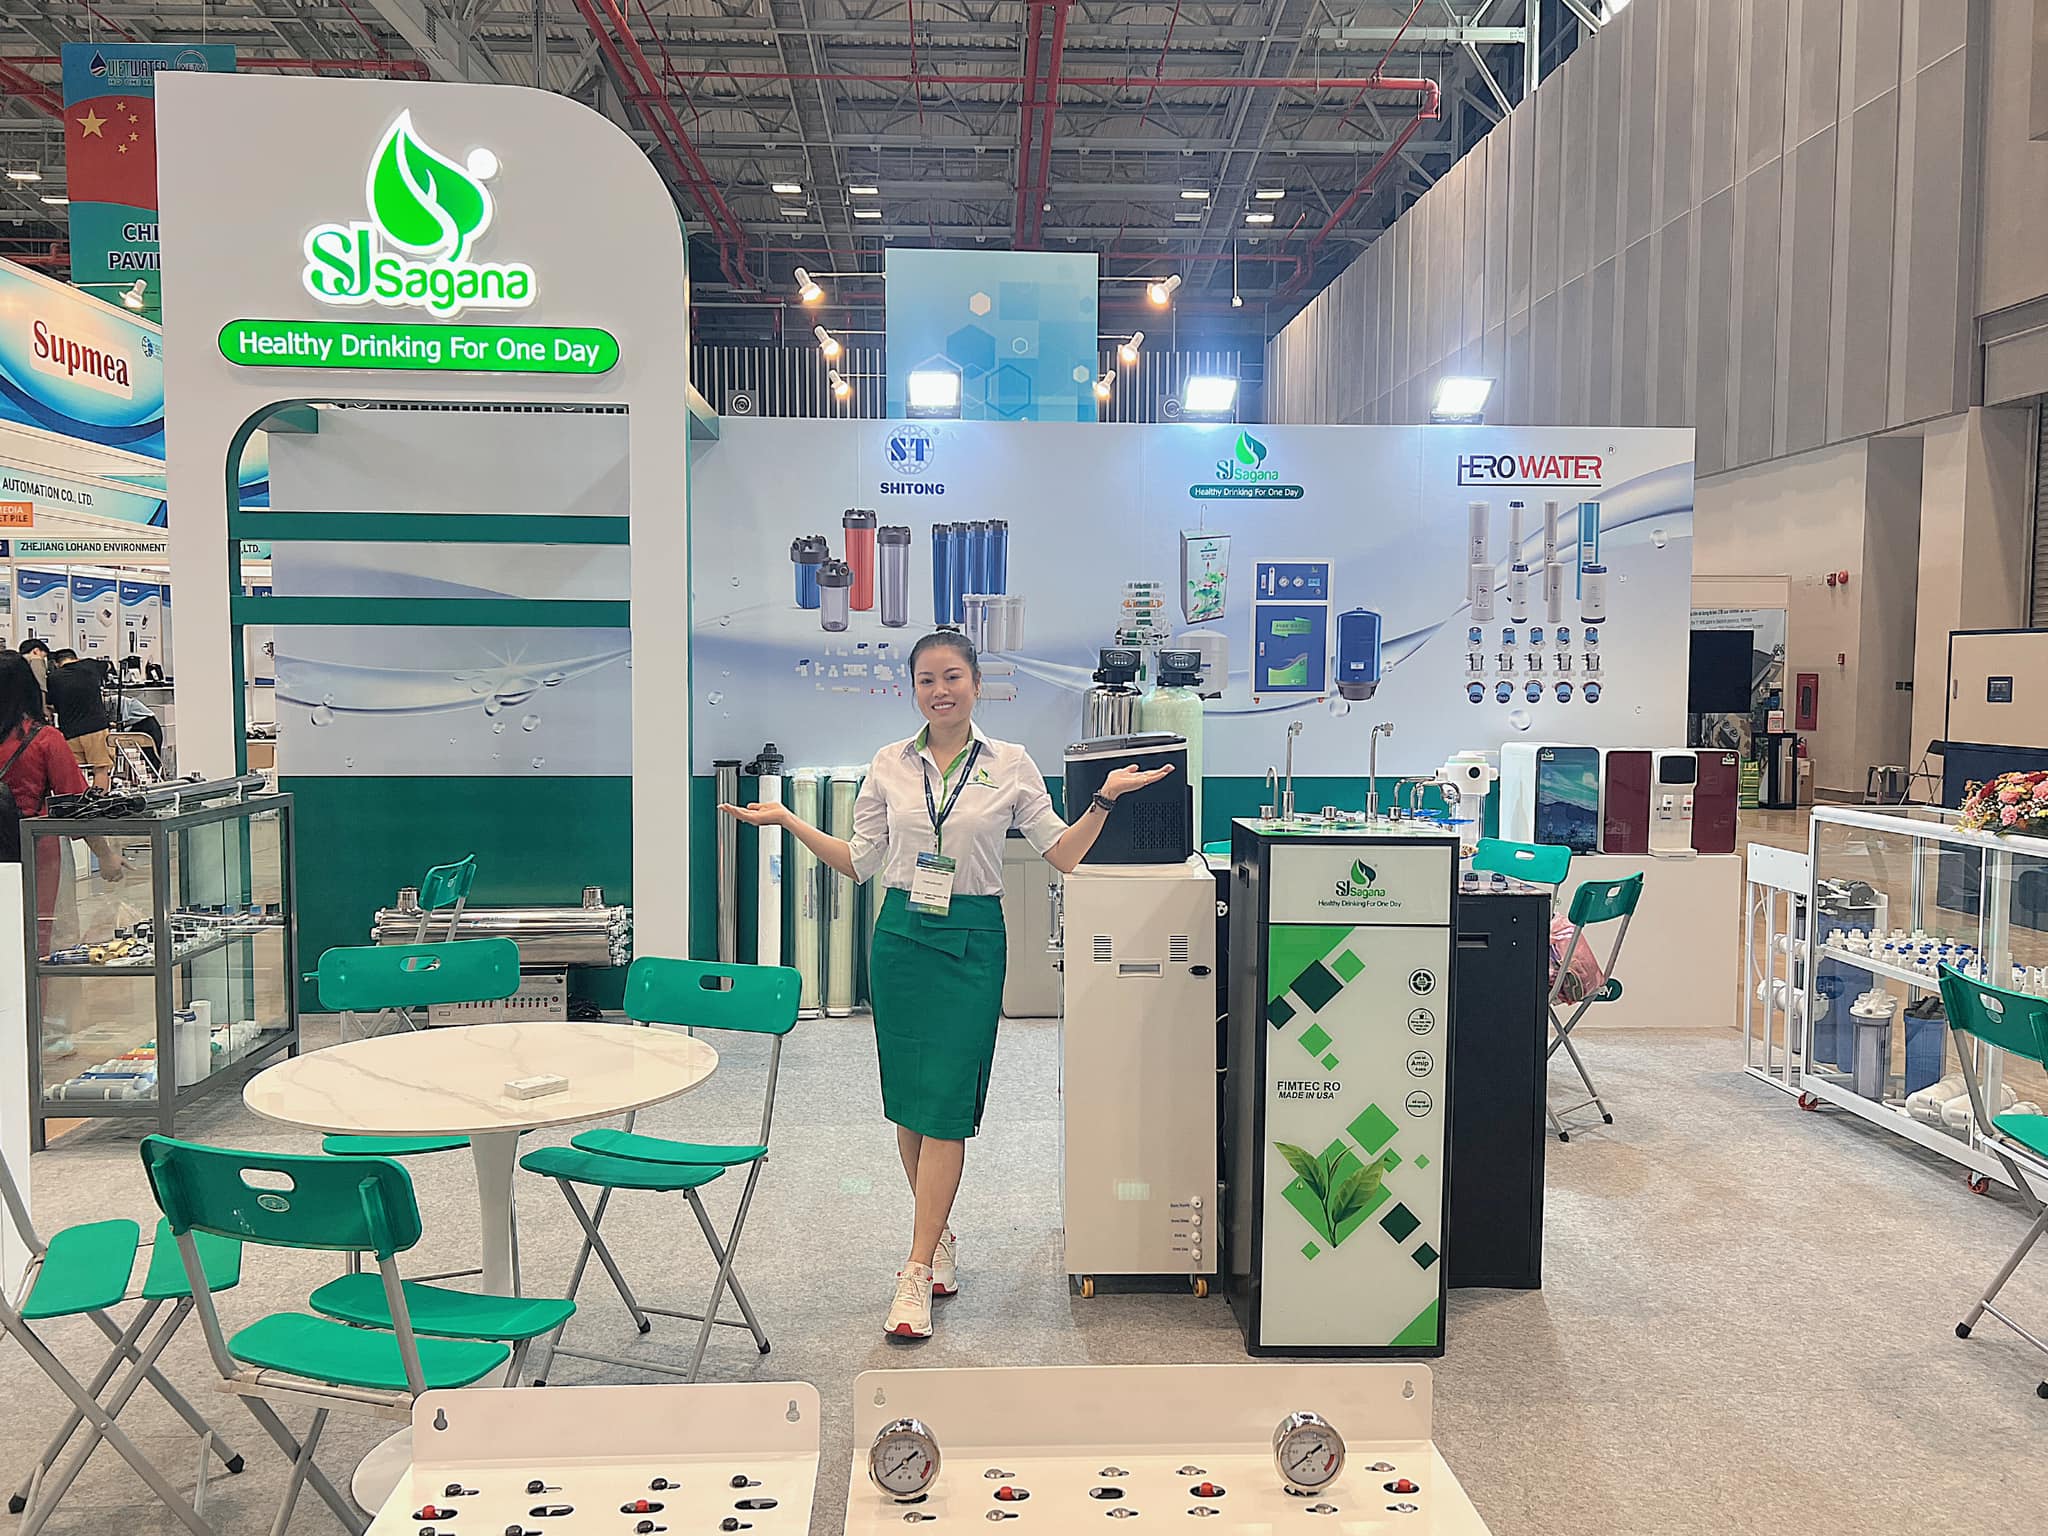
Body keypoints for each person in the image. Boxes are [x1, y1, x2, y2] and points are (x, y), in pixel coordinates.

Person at [720, 631, 1173, 1340]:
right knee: (910, 1104)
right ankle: (938, 1242)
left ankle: (913, 1270)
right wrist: (787, 820)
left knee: (947, 1108)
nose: (941, 690)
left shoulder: (1011, 764)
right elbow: (860, 861)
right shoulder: (888, 764)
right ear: (914, 690)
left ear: (976, 683)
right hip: (901, 939)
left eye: (953, 676)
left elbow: (1062, 854)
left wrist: (1105, 801)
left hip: (972, 942)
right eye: (927, 679)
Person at [0, 652, 123, 952]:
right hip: (36, 845)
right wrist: (105, 855)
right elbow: (76, 803)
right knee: (41, 936)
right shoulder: (44, 738)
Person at [43, 649, 114, 790]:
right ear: (76, 658)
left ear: (57, 664)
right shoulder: (90, 665)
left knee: (77, 772)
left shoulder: (53, 677)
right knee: (100, 769)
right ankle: (99, 801)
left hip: (70, 732)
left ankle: (80, 801)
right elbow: (109, 666)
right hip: (95, 729)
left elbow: (50, 703)